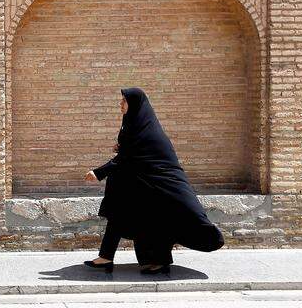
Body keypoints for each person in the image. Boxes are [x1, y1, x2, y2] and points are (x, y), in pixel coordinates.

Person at [84, 88, 224, 274]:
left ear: (134, 105)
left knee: (159, 219)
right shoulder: (133, 124)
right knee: (119, 213)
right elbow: (129, 153)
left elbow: (128, 156)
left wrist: (98, 172)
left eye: (124, 101)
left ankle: (158, 261)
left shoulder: (146, 131)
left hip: (162, 184)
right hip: (140, 183)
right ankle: (106, 257)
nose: (120, 104)